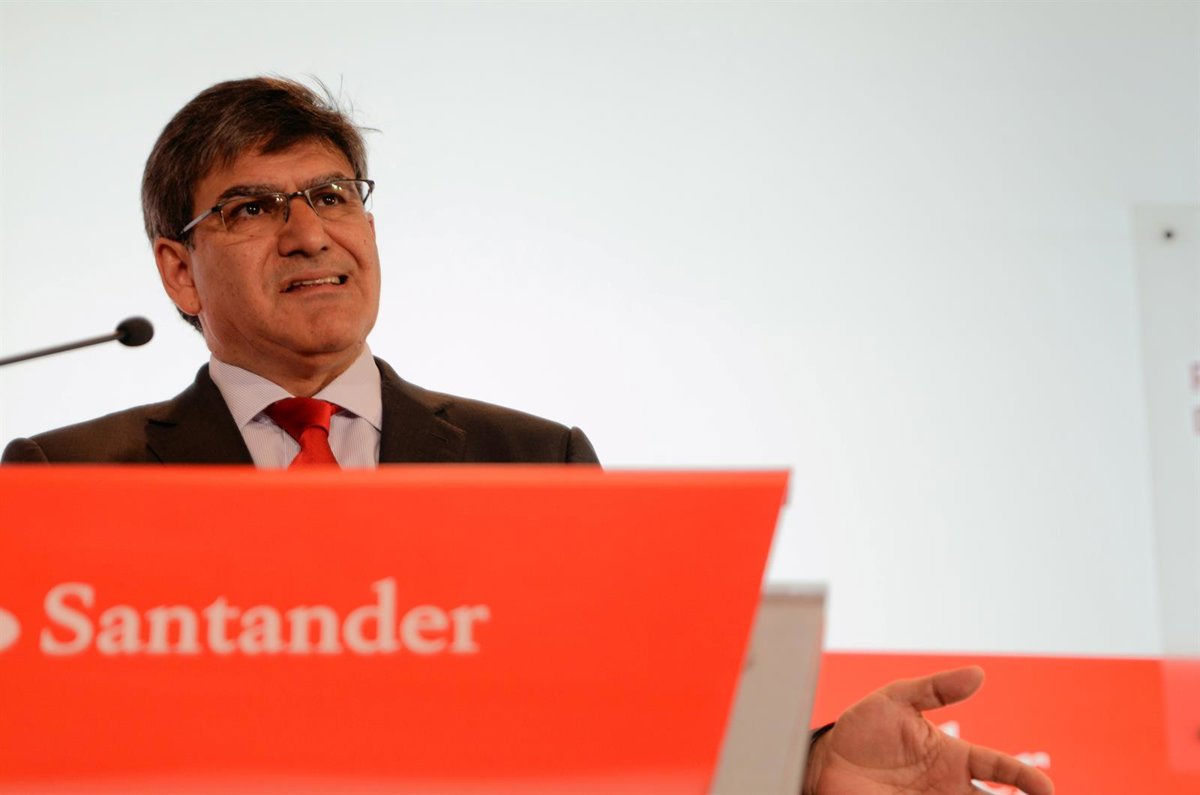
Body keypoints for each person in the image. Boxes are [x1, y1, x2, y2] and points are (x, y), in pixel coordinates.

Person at [0, 77, 1053, 795]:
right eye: (251, 208)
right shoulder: (67, 479)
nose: (310, 233)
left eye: (331, 195)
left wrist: (808, 769)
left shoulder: (534, 461)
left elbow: (626, 723)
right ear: (178, 271)